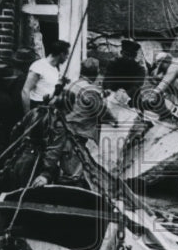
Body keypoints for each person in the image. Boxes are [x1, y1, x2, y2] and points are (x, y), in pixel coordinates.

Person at [33, 58, 117, 187]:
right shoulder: (93, 91)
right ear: (96, 73)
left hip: (59, 132)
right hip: (75, 137)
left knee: (55, 162)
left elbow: (58, 102)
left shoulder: (71, 85)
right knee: (72, 175)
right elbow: (102, 111)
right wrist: (114, 120)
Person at [21, 39, 70, 112]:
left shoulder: (55, 69)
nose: (67, 58)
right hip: (37, 108)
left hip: (49, 108)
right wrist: (28, 114)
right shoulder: (39, 66)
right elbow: (25, 90)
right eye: (67, 55)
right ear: (62, 54)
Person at [103, 39, 147, 109]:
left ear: (135, 56)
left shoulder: (140, 69)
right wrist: (109, 90)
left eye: (131, 56)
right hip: (113, 95)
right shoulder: (113, 63)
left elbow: (136, 86)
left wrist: (125, 94)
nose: (129, 58)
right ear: (122, 53)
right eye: (126, 55)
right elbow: (107, 80)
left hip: (131, 99)